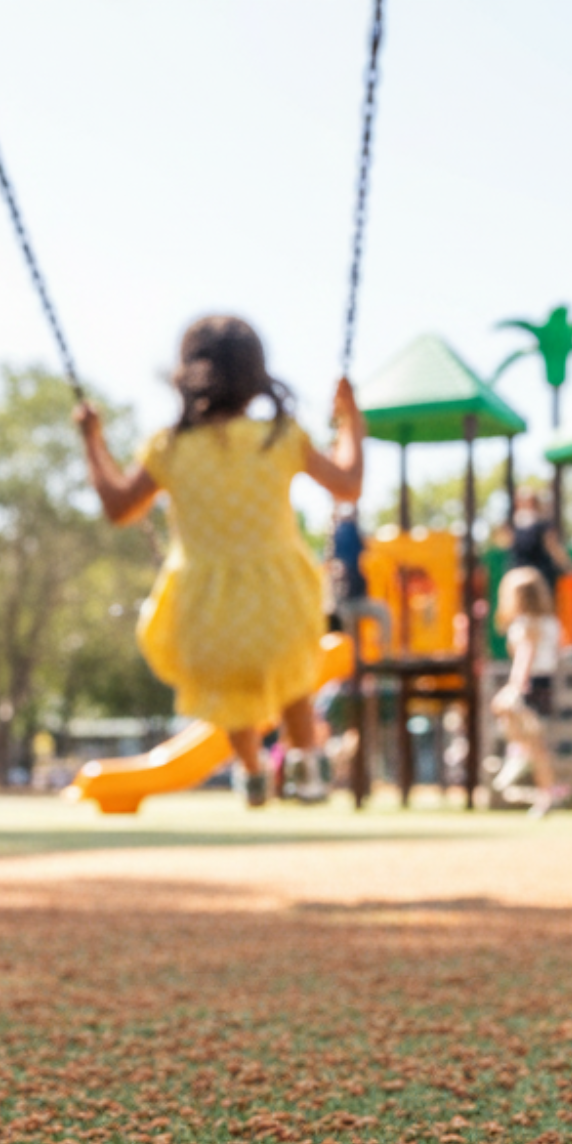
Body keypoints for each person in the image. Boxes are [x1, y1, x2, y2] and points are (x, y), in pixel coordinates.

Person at [73, 315, 364, 807]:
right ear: (256, 378)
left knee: (227, 689)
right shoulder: (280, 437)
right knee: (294, 675)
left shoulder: (169, 446)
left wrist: (92, 441)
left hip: (206, 606)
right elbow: (348, 483)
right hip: (279, 596)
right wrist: (351, 421)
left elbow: (120, 507)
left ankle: (251, 771)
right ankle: (308, 766)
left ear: (188, 374)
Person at [490, 567, 570, 819]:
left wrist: (515, 686)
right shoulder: (551, 623)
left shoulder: (526, 624)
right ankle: (544, 787)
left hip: (530, 682)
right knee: (537, 744)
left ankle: (518, 752)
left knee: (505, 710)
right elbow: (561, 651)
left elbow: (526, 655)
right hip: (546, 682)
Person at [494, 487, 572, 597]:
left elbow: (502, 543)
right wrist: (569, 567)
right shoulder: (541, 526)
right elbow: (554, 549)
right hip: (539, 579)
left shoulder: (516, 527)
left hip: (521, 577)